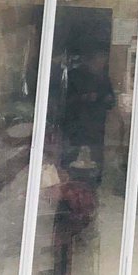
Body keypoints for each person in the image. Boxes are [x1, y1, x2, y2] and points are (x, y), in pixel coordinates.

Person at [61, 49, 114, 179]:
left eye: (104, 59)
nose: (102, 62)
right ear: (91, 59)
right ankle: (70, 182)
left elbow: (111, 101)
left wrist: (107, 99)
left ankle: (93, 182)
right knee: (72, 161)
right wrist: (84, 98)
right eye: (100, 58)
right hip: (76, 126)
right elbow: (64, 100)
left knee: (95, 162)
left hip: (96, 127)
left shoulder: (103, 78)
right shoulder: (74, 75)